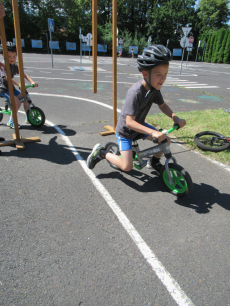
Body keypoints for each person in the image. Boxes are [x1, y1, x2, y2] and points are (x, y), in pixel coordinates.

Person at [87, 45, 186, 175]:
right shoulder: (136, 92)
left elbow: (162, 105)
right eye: (158, 74)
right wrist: (153, 132)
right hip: (126, 132)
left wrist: (175, 118)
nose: (163, 78)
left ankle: (154, 162)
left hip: (139, 126)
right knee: (127, 166)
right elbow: (129, 122)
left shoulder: (154, 88)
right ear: (145, 74)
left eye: (165, 74)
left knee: (166, 141)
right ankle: (102, 153)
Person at [0, 42, 38, 128]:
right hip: (3, 89)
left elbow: (23, 74)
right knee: (17, 103)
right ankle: (11, 121)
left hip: (11, 88)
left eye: (14, 56)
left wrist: (32, 82)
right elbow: (7, 78)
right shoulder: (3, 66)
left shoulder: (14, 65)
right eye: (9, 56)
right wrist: (19, 84)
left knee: (25, 100)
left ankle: (28, 117)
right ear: (3, 55)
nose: (12, 59)